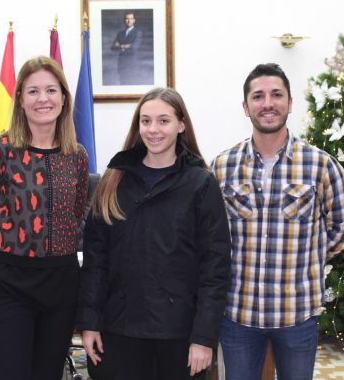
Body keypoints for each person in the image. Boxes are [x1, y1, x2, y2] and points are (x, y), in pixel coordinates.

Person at [211, 63, 344, 380]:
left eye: (277, 95)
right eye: (258, 96)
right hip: (239, 314)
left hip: (297, 314)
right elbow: (210, 234)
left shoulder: (320, 165)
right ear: (245, 106)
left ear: (290, 103)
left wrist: (310, 257)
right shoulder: (222, 167)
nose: (268, 103)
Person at [77, 87, 231, 380]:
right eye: (145, 121)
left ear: (181, 125)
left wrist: (204, 337)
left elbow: (215, 269)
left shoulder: (201, 184)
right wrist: (90, 323)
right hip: (118, 331)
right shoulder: (113, 180)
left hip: (179, 336)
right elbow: (96, 262)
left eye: (163, 120)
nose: (153, 129)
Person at [0, 56, 89, 380]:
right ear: (20, 99)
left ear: (64, 98)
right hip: (10, 287)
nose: (43, 99)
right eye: (33, 91)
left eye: (51, 90)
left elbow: (76, 217)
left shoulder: (77, 157)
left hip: (61, 288)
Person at [110, 11, 143, 85]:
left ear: (134, 20)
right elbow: (112, 47)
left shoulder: (138, 33)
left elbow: (134, 47)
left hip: (133, 66)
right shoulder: (120, 33)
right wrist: (124, 46)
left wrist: (119, 45)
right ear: (124, 20)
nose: (128, 21)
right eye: (126, 19)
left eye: (131, 19)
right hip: (122, 65)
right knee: (123, 85)